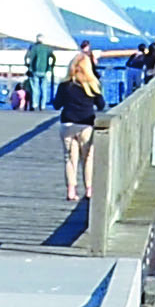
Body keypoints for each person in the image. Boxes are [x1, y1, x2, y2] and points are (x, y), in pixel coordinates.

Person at [52, 54, 106, 202]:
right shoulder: (92, 84)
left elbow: (57, 104)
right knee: (88, 158)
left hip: (68, 123)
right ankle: (89, 189)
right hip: (86, 124)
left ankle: (71, 190)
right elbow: (101, 104)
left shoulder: (65, 85)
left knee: (70, 159)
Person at [24, 34, 56, 109]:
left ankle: (35, 104)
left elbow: (28, 57)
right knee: (44, 89)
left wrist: (29, 66)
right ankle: (43, 105)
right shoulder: (47, 48)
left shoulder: (34, 48)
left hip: (35, 71)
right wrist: (51, 66)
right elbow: (53, 57)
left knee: (35, 88)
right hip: (44, 71)